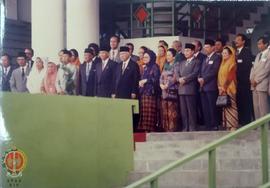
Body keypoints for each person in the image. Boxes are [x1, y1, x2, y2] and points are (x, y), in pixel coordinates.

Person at [174, 43, 200, 131]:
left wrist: (184, 79)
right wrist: (178, 79)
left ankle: (192, 127)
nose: (186, 52)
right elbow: (176, 72)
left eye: (188, 51)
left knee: (191, 110)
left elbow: (195, 73)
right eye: (185, 51)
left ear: (193, 51)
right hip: (181, 89)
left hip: (190, 88)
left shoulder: (197, 61)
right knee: (183, 111)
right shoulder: (182, 62)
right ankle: (185, 127)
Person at [198, 39, 222, 131]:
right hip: (202, 87)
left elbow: (214, 71)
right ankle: (208, 125)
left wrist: (204, 79)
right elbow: (200, 71)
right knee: (205, 107)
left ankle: (214, 124)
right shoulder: (204, 59)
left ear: (213, 47)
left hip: (211, 86)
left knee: (212, 107)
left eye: (207, 47)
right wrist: (199, 78)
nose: (205, 49)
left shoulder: (217, 58)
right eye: (205, 47)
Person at [137, 50, 160, 132]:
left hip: (151, 93)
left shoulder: (155, 66)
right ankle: (146, 130)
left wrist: (146, 80)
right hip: (143, 92)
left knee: (150, 113)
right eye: (144, 57)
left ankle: (150, 130)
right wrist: (141, 82)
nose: (144, 58)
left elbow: (156, 79)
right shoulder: (145, 67)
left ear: (151, 58)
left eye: (147, 57)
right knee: (145, 113)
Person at [235, 33, 254, 125]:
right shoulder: (235, 52)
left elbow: (247, 67)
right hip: (237, 83)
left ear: (243, 41)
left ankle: (246, 122)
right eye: (236, 39)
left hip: (245, 82)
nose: (236, 41)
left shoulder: (246, 52)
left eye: (238, 39)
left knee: (246, 102)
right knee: (239, 102)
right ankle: (240, 121)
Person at [218, 46, 238, 131]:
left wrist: (224, 87)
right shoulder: (222, 63)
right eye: (223, 53)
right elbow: (218, 76)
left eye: (225, 53)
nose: (223, 54)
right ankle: (227, 125)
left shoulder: (233, 63)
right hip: (222, 89)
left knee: (231, 106)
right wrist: (219, 87)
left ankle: (233, 125)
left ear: (230, 54)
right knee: (225, 106)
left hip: (230, 88)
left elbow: (230, 77)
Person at [160, 48, 180, 132]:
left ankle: (172, 129)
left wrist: (167, 85)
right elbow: (161, 77)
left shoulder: (176, 65)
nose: (167, 57)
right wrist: (161, 84)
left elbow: (175, 77)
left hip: (172, 91)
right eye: (167, 55)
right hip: (164, 91)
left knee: (172, 111)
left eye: (169, 55)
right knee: (165, 110)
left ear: (174, 56)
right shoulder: (166, 65)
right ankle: (166, 128)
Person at [250, 37, 270, 120]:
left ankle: (265, 127)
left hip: (262, 83)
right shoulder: (258, 55)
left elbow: (266, 70)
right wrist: (251, 79)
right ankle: (258, 127)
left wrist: (256, 80)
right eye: (258, 44)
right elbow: (253, 68)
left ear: (266, 44)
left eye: (260, 44)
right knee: (256, 107)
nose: (258, 45)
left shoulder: (268, 54)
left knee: (263, 107)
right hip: (254, 85)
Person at [193, 40, 206, 126]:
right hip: (191, 84)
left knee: (201, 103)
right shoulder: (189, 56)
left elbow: (202, 69)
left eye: (194, 46)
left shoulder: (203, 57)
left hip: (200, 83)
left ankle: (203, 121)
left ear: (199, 47)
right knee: (194, 104)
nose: (192, 47)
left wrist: (199, 78)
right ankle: (196, 120)